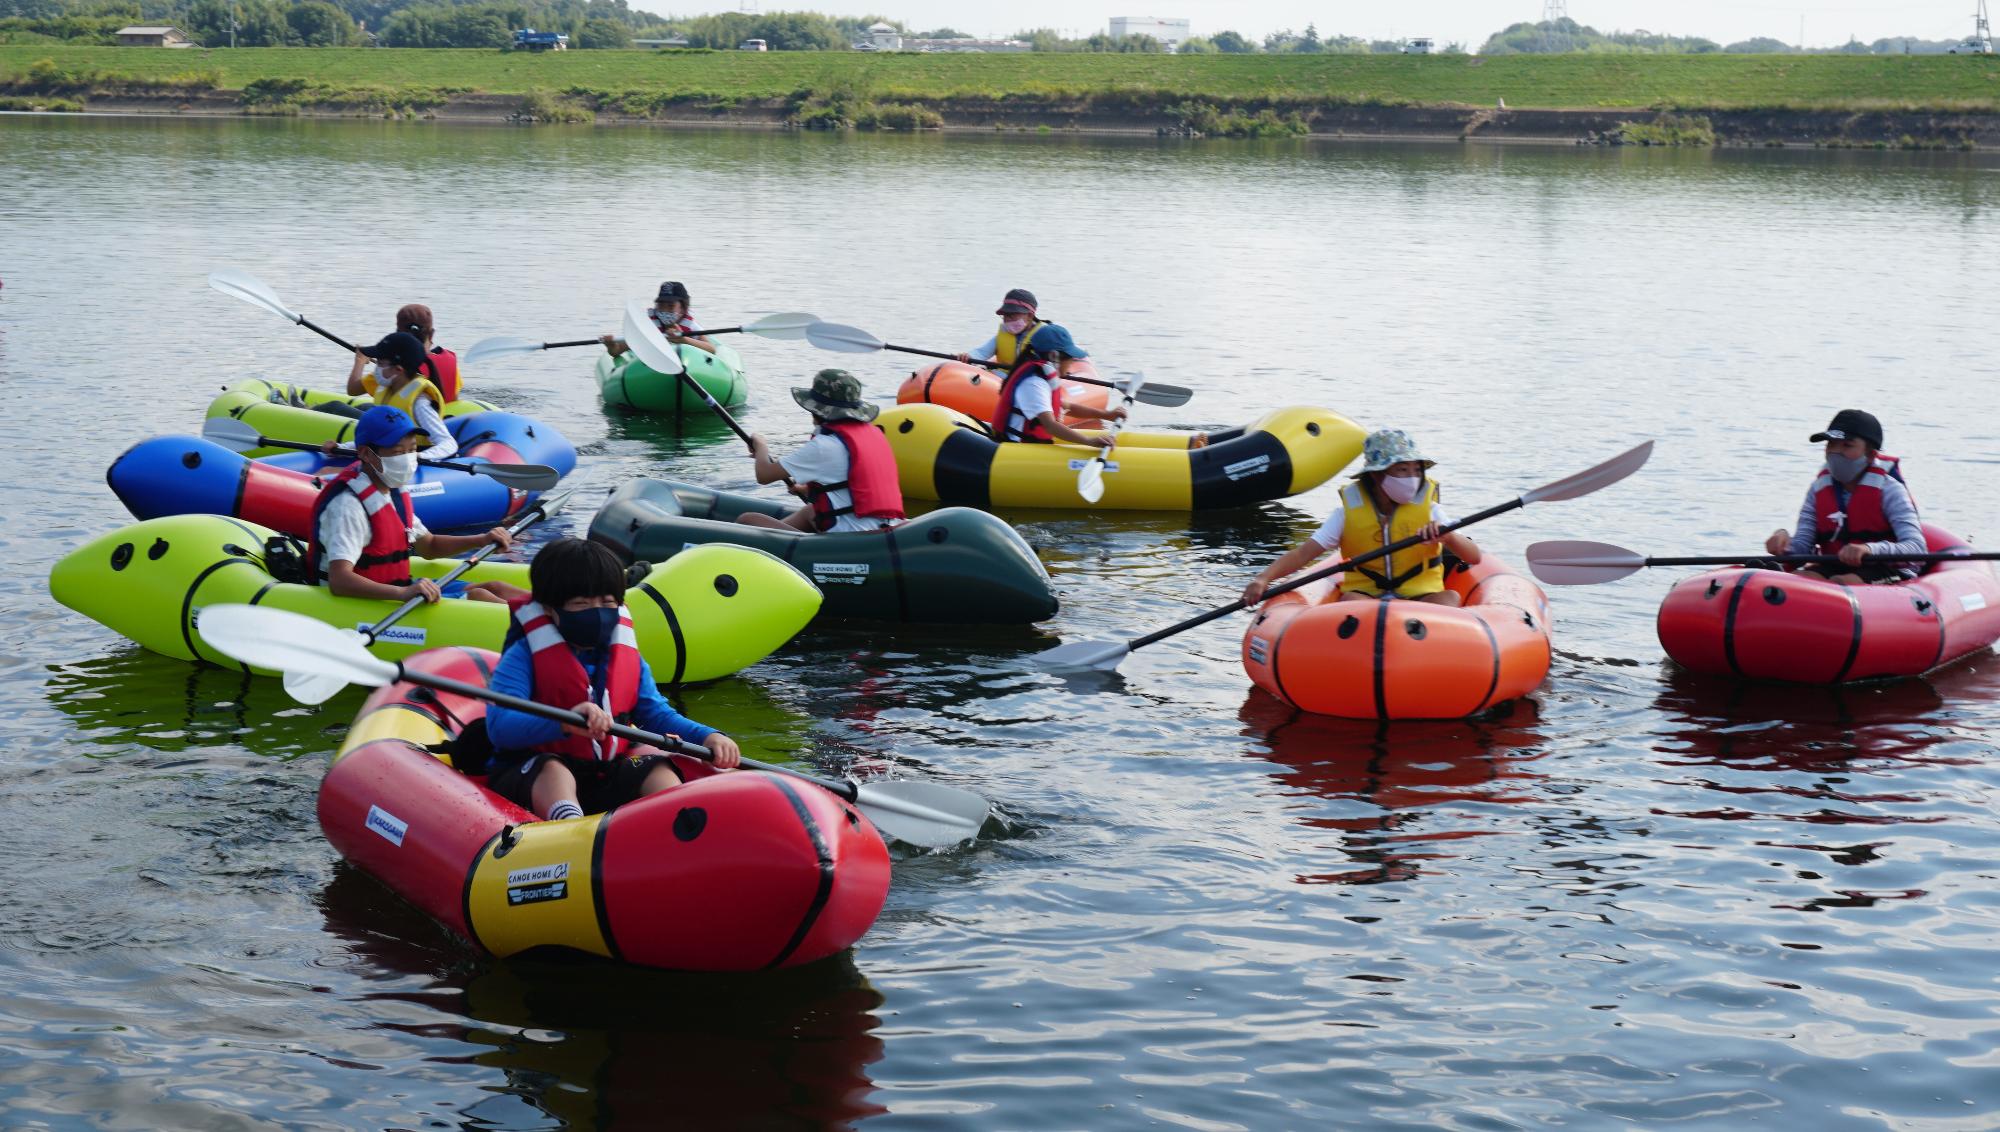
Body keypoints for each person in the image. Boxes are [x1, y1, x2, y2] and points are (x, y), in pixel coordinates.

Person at [483, 538, 742, 822]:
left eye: (607, 603)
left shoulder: (628, 658)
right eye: (581, 604)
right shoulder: (525, 656)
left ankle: (681, 825)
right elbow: (500, 727)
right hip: (532, 767)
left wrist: (708, 736)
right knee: (552, 770)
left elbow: (656, 714)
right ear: (549, 609)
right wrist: (564, 722)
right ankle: (569, 830)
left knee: (655, 768)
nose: (596, 612)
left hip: (602, 769)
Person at [307, 406, 524, 605]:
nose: (409, 458)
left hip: (396, 586)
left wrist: (482, 539)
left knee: (497, 587)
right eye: (399, 452)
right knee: (480, 597)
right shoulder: (348, 505)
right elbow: (340, 580)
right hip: (365, 601)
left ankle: (551, 619)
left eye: (412, 449)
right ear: (366, 454)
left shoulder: (391, 489)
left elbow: (428, 546)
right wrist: (403, 594)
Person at [1242, 428, 1482, 608]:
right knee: (1350, 600)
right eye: (1402, 470)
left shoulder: (1431, 511)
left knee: (1450, 598)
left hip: (1421, 596)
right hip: (1366, 598)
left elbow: (1474, 556)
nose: (1413, 478)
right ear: (1377, 476)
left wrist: (1448, 537)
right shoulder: (1346, 514)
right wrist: (1263, 579)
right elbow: (1303, 554)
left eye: (1417, 470)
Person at [1763, 408, 1925, 585]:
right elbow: (1802, 548)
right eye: (1831, 445)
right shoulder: (1818, 490)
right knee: (1805, 580)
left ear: (1870, 455)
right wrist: (1784, 543)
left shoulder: (1891, 490)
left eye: (1847, 445)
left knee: (1843, 581)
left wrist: (1869, 549)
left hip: (1885, 568)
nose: (1835, 453)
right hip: (1835, 564)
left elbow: (1917, 548)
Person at [739, 369, 906, 533]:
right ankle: (784, 544)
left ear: (815, 409)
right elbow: (855, 481)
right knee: (809, 511)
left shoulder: (823, 446)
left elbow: (764, 475)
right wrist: (808, 490)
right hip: (884, 526)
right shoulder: (872, 435)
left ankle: (783, 548)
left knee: (747, 520)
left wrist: (761, 447)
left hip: (852, 535)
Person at [988, 324, 1124, 448]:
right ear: (1054, 356)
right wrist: (1088, 442)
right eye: (1070, 357)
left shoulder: (1041, 377)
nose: (1072, 361)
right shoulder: (1034, 383)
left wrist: (1107, 415)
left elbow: (1067, 407)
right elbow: (1050, 426)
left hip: (1030, 445)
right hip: (1015, 449)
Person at [344, 331, 456, 460]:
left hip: (411, 462)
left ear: (398, 369)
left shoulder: (420, 403)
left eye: (380, 363)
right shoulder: (386, 390)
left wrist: (419, 457)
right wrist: (342, 447)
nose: (376, 369)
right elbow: (375, 439)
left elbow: (448, 444)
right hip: (387, 457)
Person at [600, 280, 717, 359]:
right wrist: (611, 345)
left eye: (670, 306)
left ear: (682, 308)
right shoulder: (648, 325)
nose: (665, 310)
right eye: (661, 305)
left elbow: (711, 349)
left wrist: (684, 340)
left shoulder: (690, 326)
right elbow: (616, 351)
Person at [956, 288, 1055, 370]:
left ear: (1029, 315)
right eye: (1005, 315)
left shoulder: (1044, 335)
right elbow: (982, 352)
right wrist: (969, 356)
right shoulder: (1003, 333)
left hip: (1029, 382)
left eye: (1012, 315)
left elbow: (1052, 365)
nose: (1007, 320)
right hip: (1001, 380)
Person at [392, 303, 461, 403]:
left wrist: (361, 360)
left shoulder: (389, 369)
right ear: (431, 334)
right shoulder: (449, 361)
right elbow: (455, 402)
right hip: (446, 415)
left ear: (397, 335)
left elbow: (360, 391)